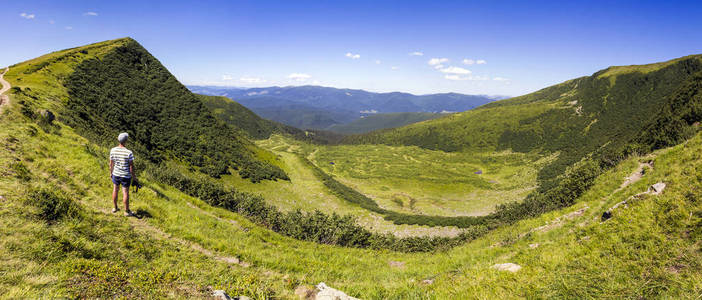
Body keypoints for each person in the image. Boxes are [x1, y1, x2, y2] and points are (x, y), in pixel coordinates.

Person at [110, 132, 137, 217]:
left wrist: (111, 173)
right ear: (126, 141)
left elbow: (111, 164)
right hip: (125, 175)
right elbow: (131, 166)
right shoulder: (129, 152)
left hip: (116, 174)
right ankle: (126, 211)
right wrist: (134, 177)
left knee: (115, 190)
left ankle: (114, 208)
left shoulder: (113, 150)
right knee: (125, 192)